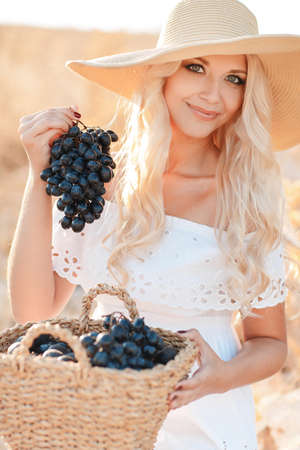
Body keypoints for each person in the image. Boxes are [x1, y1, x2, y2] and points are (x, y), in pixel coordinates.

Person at [7, 0, 300, 448]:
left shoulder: (246, 199)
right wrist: (39, 177)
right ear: (162, 73)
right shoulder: (102, 182)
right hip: (102, 420)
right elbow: (33, 311)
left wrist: (219, 378)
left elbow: (270, 344)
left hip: (207, 426)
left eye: (234, 79)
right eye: (195, 67)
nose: (212, 94)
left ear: (246, 93)